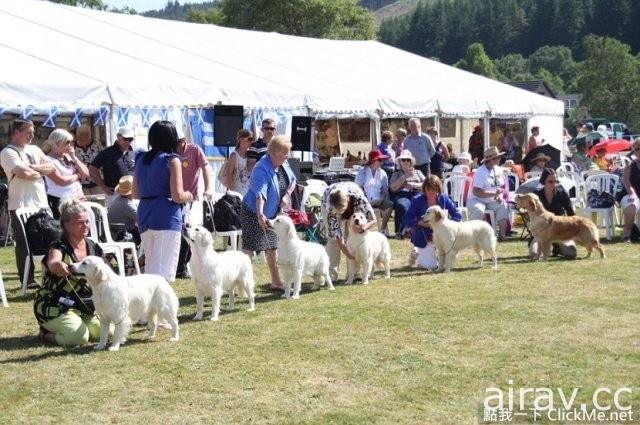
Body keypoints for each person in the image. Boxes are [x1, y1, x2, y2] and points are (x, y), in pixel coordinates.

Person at [34, 199, 104, 346]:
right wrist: (58, 265)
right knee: (78, 338)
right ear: (66, 225)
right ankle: (45, 334)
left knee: (105, 333)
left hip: (84, 305)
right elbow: (53, 262)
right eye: (79, 222)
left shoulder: (94, 247)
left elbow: (107, 271)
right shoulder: (58, 246)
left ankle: (80, 324)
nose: (85, 226)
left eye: (87, 222)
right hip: (55, 305)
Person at [132, 121, 193, 283]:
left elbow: (135, 193)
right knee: (165, 272)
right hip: (166, 215)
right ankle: (162, 307)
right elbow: (177, 196)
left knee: (152, 267)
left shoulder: (140, 158)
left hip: (145, 213)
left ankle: (151, 306)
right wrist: (189, 195)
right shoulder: (172, 160)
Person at [1, 118, 55, 287]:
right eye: (28, 131)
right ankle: (28, 279)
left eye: (33, 131)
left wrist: (35, 169)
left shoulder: (35, 149)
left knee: (50, 239)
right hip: (20, 204)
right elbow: (22, 172)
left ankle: (50, 276)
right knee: (24, 244)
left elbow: (51, 167)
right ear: (16, 133)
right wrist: (39, 170)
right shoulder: (7, 152)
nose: (32, 135)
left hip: (41, 203)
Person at [241, 135, 296, 290]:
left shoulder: (283, 164)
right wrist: (260, 215)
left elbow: (292, 181)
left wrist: (287, 195)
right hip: (253, 212)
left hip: (272, 213)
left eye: (287, 154)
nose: (287, 157)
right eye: (285, 154)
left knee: (272, 247)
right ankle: (239, 282)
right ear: (274, 153)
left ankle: (276, 282)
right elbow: (260, 193)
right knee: (248, 249)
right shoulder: (261, 168)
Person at [175, 126, 213, 279]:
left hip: (190, 198)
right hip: (174, 196)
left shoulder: (194, 150)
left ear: (183, 140)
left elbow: (205, 169)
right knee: (178, 231)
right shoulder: (171, 152)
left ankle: (183, 266)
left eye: (177, 142)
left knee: (187, 231)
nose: (176, 145)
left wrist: (209, 188)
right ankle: (180, 266)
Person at [322, 181, 376, 281]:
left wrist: (362, 229)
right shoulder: (330, 206)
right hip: (328, 204)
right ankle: (330, 276)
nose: (340, 213)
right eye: (338, 210)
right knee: (333, 241)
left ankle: (354, 274)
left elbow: (372, 219)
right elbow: (335, 232)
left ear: (347, 200)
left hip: (354, 207)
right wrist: (345, 250)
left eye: (342, 209)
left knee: (351, 237)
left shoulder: (359, 199)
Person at [403, 175, 461, 269]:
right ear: (424, 189)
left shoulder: (444, 198)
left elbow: (457, 215)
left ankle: (435, 254)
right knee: (430, 266)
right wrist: (419, 223)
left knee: (449, 262)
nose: (431, 192)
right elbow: (406, 219)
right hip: (425, 236)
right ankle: (416, 251)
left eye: (434, 189)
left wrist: (448, 225)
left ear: (438, 189)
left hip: (444, 236)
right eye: (428, 189)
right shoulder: (417, 200)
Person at [90, 126, 144, 206]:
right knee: (116, 217)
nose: (128, 142)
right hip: (114, 193)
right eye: (126, 139)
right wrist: (103, 186)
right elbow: (92, 168)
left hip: (133, 192)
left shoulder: (134, 153)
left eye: (130, 139)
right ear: (118, 137)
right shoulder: (107, 152)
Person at [530, 168, 577, 258]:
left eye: (555, 181)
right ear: (544, 181)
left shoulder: (562, 193)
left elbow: (571, 213)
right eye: (550, 181)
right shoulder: (536, 195)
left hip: (559, 231)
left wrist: (571, 230)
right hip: (541, 232)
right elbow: (532, 215)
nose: (553, 184)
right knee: (534, 254)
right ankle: (546, 248)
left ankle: (556, 247)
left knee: (571, 253)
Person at [466, 146, 510, 242]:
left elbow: (501, 187)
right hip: (475, 199)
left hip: (490, 199)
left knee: (503, 205)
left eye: (499, 157)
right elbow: (477, 192)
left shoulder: (498, 170)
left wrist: (499, 196)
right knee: (479, 210)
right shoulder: (480, 172)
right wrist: (494, 194)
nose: (499, 159)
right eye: (496, 158)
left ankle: (502, 235)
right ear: (489, 160)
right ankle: (469, 235)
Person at [44, 129, 89, 219]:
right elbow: (61, 181)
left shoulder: (68, 157)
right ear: (57, 143)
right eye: (67, 142)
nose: (70, 145)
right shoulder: (47, 160)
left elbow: (86, 173)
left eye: (71, 142)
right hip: (60, 200)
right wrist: (77, 175)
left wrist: (74, 157)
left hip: (76, 198)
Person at [355, 149, 393, 237]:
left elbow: (384, 190)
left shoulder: (382, 173)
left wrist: (381, 199)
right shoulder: (362, 172)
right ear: (373, 160)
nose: (381, 162)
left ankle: (382, 230)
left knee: (389, 205)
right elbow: (358, 190)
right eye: (379, 160)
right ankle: (362, 230)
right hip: (364, 201)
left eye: (382, 160)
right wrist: (367, 202)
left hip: (379, 200)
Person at [389, 150, 425, 239]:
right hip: (402, 194)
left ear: (411, 162)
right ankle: (400, 231)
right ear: (400, 162)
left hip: (416, 192)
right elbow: (392, 188)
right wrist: (405, 176)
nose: (405, 162)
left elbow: (426, 184)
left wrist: (414, 185)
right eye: (403, 160)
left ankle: (418, 230)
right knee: (402, 205)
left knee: (419, 204)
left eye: (408, 160)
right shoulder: (396, 174)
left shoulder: (418, 172)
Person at [218, 129, 253, 195]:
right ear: (241, 139)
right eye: (249, 139)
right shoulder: (234, 155)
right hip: (237, 192)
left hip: (248, 192)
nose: (251, 141)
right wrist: (232, 192)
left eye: (252, 139)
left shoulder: (250, 155)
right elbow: (229, 174)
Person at [107, 175, 139, 245]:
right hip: (124, 235)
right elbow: (142, 218)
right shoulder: (126, 204)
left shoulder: (118, 200)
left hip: (116, 233)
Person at [74, 124, 103, 196]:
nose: (85, 137)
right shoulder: (73, 147)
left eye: (87, 134)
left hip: (97, 181)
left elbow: (104, 160)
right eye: (82, 135)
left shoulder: (97, 145)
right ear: (78, 136)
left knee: (99, 204)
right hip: (81, 183)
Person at [620, 138, 640, 243]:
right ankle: (626, 233)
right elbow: (626, 181)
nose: (637, 151)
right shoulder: (629, 161)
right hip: (628, 192)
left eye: (639, 148)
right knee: (631, 207)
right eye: (636, 148)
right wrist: (633, 194)